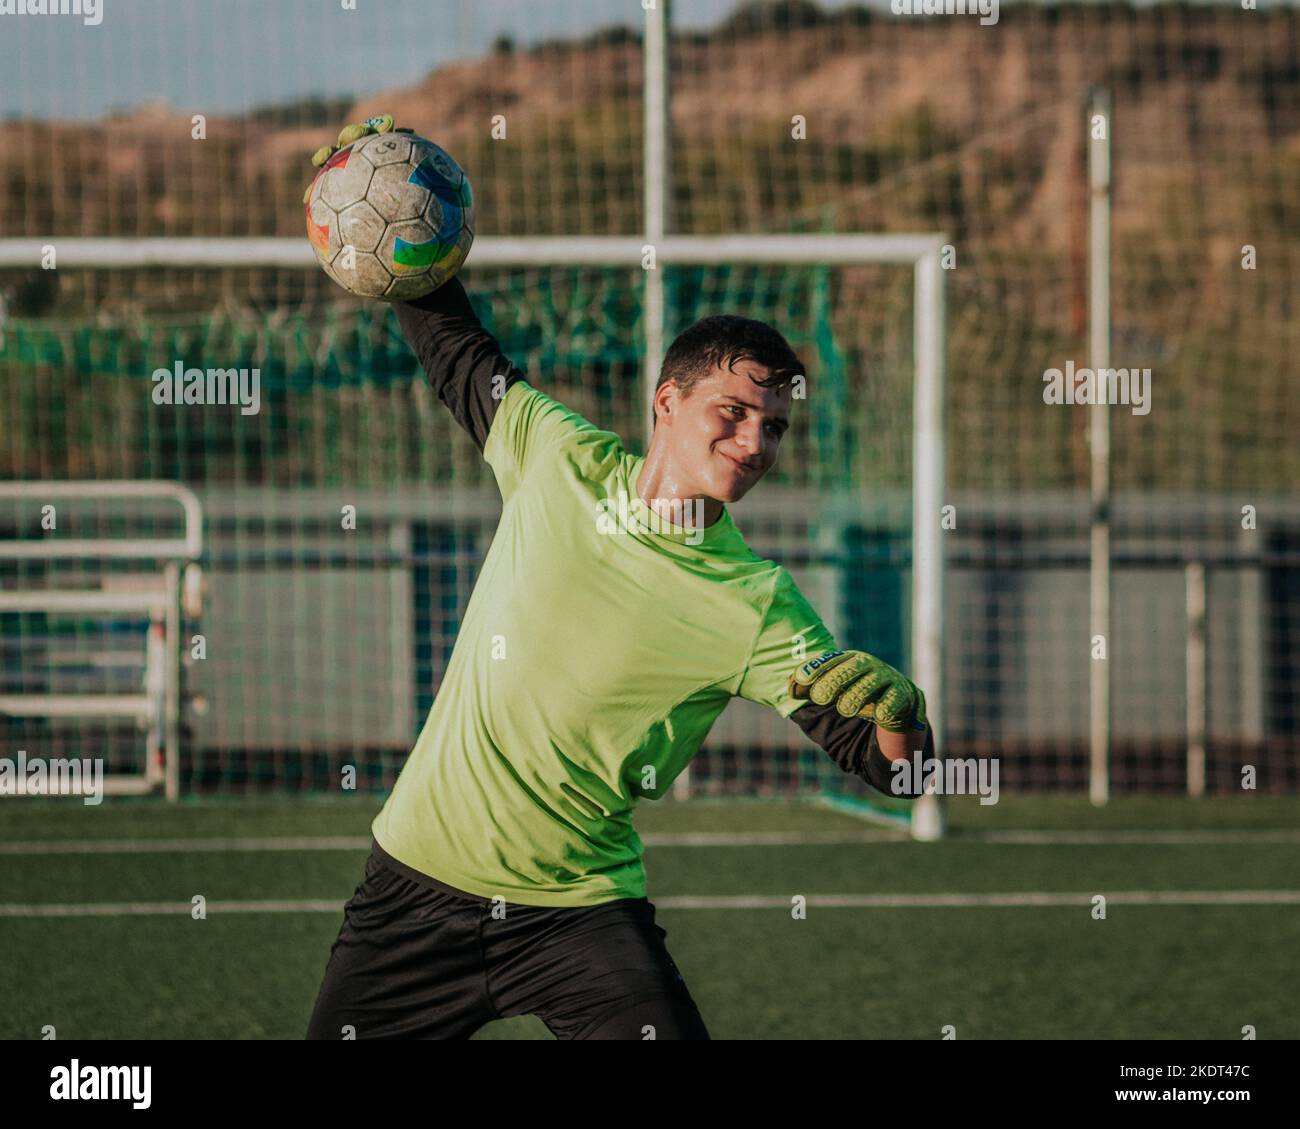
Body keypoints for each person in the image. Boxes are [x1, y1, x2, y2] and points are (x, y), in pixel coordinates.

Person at [305, 117, 934, 1041]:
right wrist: (390, 190)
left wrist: (901, 721)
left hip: (578, 910)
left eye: (774, 427)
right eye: (734, 411)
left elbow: (895, 775)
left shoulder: (759, 604)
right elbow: (450, 337)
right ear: (667, 403)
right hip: (411, 889)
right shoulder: (553, 453)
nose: (755, 442)